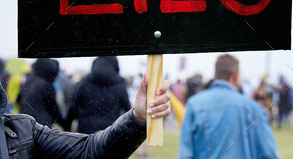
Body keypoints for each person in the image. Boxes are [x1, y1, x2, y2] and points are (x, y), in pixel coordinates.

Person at [1, 71, 171, 158]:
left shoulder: (22, 131)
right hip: (100, 127)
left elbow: (87, 151)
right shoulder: (117, 86)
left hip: (93, 130)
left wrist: (137, 118)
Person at [177, 54, 280, 159]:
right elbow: (269, 154)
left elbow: (185, 154)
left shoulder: (194, 104)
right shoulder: (253, 108)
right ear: (235, 75)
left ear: (215, 74)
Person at [66, 56, 131, 133]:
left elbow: (72, 108)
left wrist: (67, 126)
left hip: (86, 132)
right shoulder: (119, 87)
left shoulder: (84, 84)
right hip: (110, 133)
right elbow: (128, 111)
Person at [17, 58, 66, 129]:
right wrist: (65, 124)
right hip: (40, 126)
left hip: (25, 123)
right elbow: (54, 109)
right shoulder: (46, 85)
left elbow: (18, 99)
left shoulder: (29, 81)